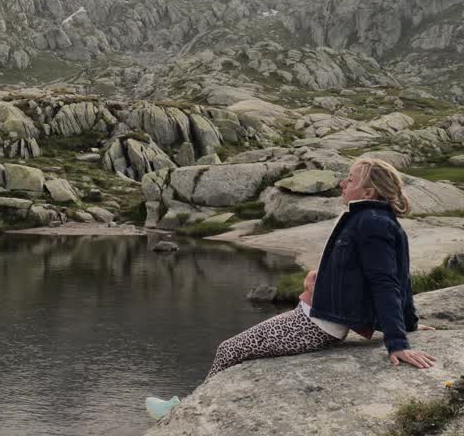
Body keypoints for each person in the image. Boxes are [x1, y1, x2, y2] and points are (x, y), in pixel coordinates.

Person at [145, 158, 435, 420]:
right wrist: (409, 322)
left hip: (316, 324)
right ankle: (187, 407)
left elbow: (386, 282)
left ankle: (181, 414)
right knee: (235, 351)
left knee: (228, 350)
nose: (342, 183)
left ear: (368, 193)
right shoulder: (372, 219)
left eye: (350, 179)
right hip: (313, 316)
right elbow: (400, 275)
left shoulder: (372, 222)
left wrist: (398, 342)